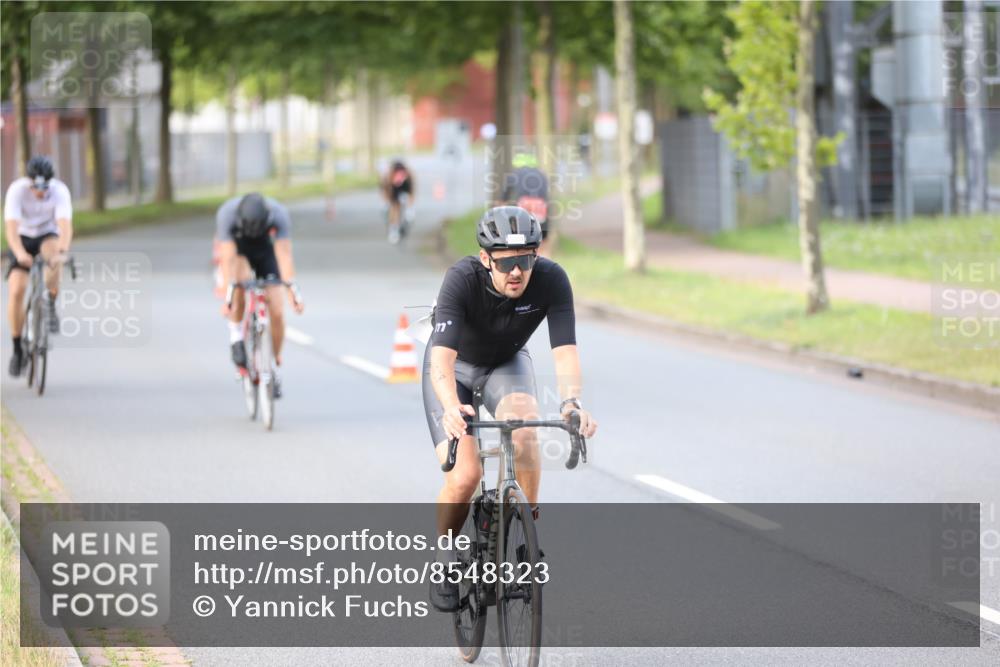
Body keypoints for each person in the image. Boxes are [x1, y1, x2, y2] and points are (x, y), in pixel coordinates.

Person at [423, 205, 598, 612]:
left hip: (506, 364)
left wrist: (572, 402)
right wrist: (451, 406)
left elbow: (566, 353)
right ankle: (445, 557)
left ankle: (522, 534)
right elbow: (442, 364)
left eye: (525, 260)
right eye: (506, 264)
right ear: (486, 260)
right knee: (465, 476)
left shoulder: (552, 279)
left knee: (523, 432)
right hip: (455, 372)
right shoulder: (461, 280)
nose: (517, 272)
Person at [216, 193, 303, 398]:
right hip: (239, 250)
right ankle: (236, 335)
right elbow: (227, 258)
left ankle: (273, 364)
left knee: (277, 309)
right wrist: (228, 297)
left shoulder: (279, 213)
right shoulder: (227, 214)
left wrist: (293, 291)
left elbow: (284, 254)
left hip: (265, 251)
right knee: (239, 284)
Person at [4, 156, 73, 377]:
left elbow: (65, 226)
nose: (40, 193)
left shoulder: (60, 191)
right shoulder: (17, 191)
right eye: (36, 187)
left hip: (46, 234)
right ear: (29, 181)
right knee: (16, 290)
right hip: (23, 238)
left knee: (54, 256)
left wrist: (61, 253)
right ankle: (17, 349)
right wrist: (19, 254)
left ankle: (50, 303)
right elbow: (11, 229)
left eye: (44, 188)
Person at [501, 152, 553, 256]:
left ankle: (523, 257)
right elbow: (546, 193)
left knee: (521, 235)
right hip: (540, 205)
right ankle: (545, 259)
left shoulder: (515, 173)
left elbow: (505, 195)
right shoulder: (541, 174)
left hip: (524, 204)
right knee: (543, 238)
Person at [381, 159, 415, 238]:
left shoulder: (408, 175)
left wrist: (410, 206)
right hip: (393, 188)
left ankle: (408, 212)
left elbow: (412, 190)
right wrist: (387, 202)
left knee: (405, 200)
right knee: (394, 207)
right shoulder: (388, 177)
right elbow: (386, 190)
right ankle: (394, 228)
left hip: (404, 187)